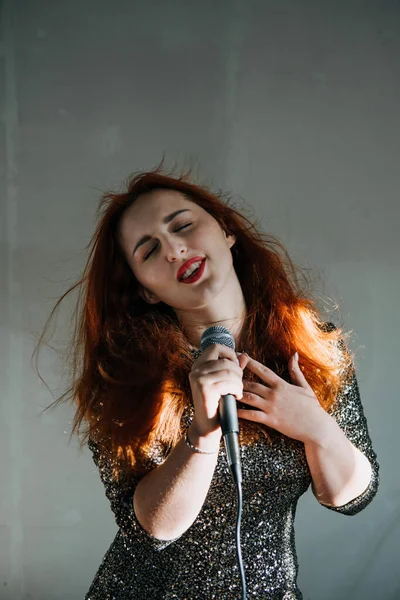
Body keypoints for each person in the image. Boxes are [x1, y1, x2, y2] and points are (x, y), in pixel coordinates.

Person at [34, 164, 379, 599]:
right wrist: (202, 431)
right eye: (149, 251)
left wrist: (315, 427)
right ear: (146, 290)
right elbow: (152, 531)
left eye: (182, 226)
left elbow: (351, 497)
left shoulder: (313, 348)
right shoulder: (126, 378)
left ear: (227, 231)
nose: (175, 250)